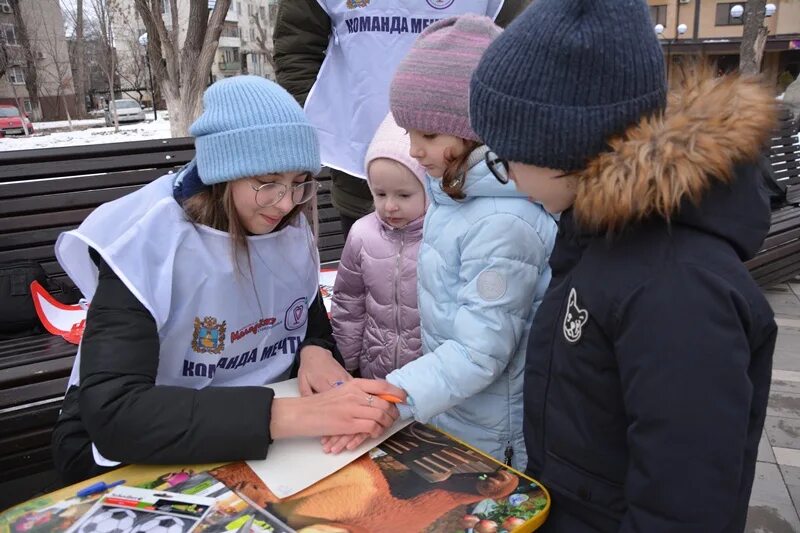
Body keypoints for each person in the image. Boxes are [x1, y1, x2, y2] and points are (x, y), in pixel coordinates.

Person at [469, 0, 778, 530]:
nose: (506, 175)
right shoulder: (600, 235)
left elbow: (685, 498)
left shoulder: (677, 288)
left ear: (563, 148)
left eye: (505, 157)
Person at [50, 76, 405, 484]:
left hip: (255, 436)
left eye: (298, 183)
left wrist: (315, 351)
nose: (287, 203)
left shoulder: (287, 228)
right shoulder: (147, 242)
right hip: (133, 446)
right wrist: (293, 415)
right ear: (225, 172)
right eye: (268, 182)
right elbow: (114, 414)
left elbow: (306, 323)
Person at [321, 15, 558, 467]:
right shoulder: (454, 199)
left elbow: (480, 348)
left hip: (497, 434)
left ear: (477, 131)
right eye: (409, 132)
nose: (413, 150)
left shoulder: (502, 223)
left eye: (428, 134)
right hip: (457, 409)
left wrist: (398, 393)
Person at [272, 0, 531, 238]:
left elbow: (521, 53)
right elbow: (297, 49)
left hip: (465, 171)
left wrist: (482, 141)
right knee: (373, 275)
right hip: (361, 174)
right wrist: (324, 125)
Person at [331, 113, 427, 379]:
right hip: (375, 369)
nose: (390, 205)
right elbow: (349, 301)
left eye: (404, 194)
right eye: (380, 194)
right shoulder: (362, 233)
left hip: (430, 375)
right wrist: (347, 360)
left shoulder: (442, 237)